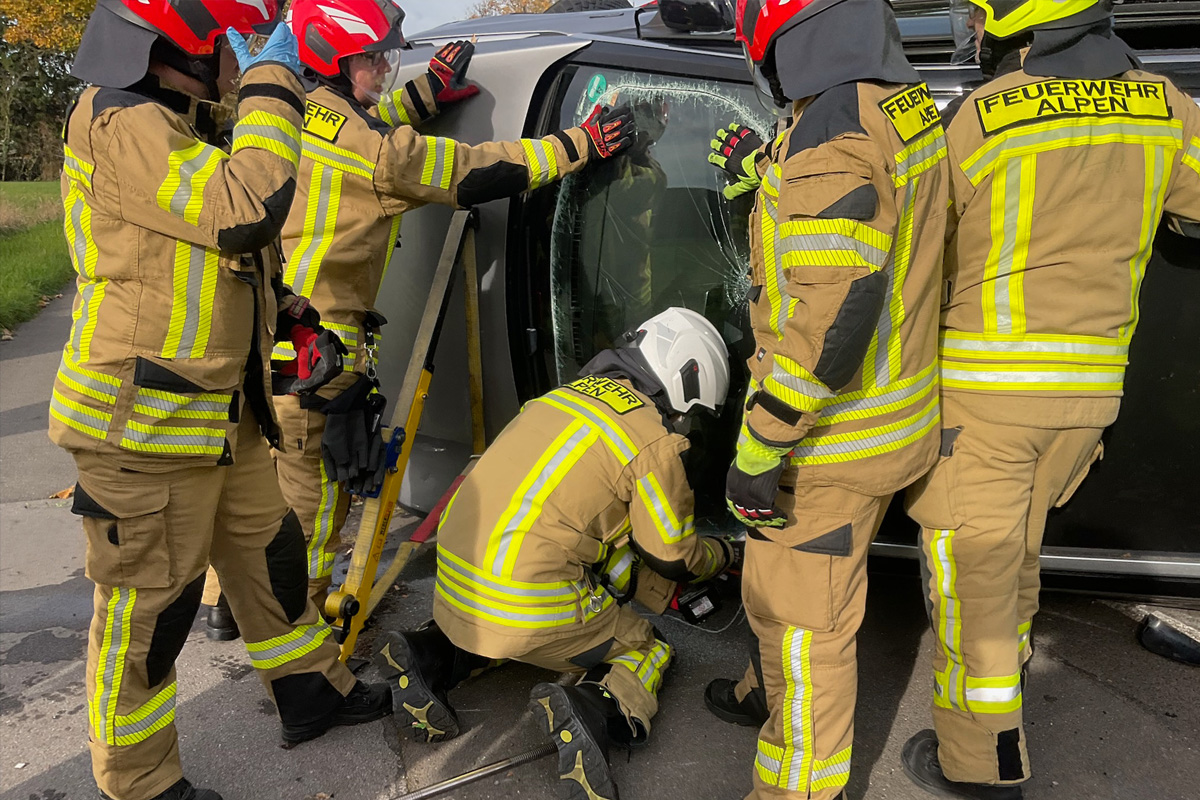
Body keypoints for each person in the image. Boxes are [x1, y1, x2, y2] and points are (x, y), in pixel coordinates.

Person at [55, 2, 390, 798]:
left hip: (216, 416)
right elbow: (244, 208)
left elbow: (213, 251)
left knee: (270, 563)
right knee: (146, 621)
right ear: (184, 47)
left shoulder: (175, 116)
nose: (239, 57)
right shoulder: (119, 121)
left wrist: (292, 309)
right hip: (142, 425)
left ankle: (308, 692)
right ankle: (138, 783)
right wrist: (278, 79)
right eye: (230, 44)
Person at [901, 2, 1200, 798]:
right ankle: (1009, 682)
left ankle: (981, 767)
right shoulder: (1165, 108)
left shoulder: (984, 117)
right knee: (1015, 561)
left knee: (972, 588)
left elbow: (914, 242)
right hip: (1087, 402)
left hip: (985, 401)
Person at [257, 0, 637, 612]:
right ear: (336, 59)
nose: (386, 67)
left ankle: (228, 603)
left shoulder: (292, 113)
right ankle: (300, 640)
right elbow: (469, 171)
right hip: (318, 357)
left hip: (265, 337)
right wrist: (576, 144)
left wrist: (425, 93)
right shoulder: (373, 150)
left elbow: (364, 135)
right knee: (316, 507)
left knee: (258, 486)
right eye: (373, 57)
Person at [704, 1, 951, 798]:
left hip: (829, 446)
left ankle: (796, 788)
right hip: (897, 420)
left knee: (806, 637)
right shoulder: (896, 104)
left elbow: (832, 319)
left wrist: (759, 447)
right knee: (790, 604)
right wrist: (770, 177)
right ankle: (758, 693)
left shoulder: (830, 135)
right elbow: (872, 229)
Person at [375, 308, 736, 800]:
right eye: (689, 414)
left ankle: (430, 653)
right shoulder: (650, 439)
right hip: (524, 601)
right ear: (686, 383)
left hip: (455, 577)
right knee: (647, 646)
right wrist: (723, 556)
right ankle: (596, 707)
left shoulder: (557, 399)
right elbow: (672, 556)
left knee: (516, 621)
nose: (684, 425)